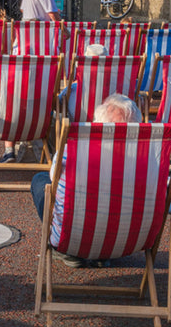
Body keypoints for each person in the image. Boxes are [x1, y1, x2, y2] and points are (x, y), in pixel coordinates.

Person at [29, 93, 141, 267]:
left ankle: (69, 252)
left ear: (97, 125)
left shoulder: (72, 152)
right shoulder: (148, 160)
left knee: (41, 181)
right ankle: (102, 253)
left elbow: (54, 178)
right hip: (126, 241)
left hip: (74, 238)